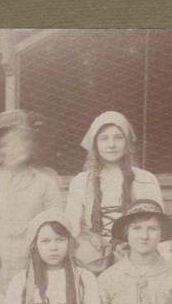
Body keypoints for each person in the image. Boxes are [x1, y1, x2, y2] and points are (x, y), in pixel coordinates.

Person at [0, 110, 64, 293]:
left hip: (31, 272)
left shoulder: (45, 184)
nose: (11, 151)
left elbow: (56, 232)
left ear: (30, 146)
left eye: (18, 143)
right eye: (4, 145)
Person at [65, 111, 165, 274]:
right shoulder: (81, 181)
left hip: (136, 260)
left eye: (118, 137)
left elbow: (159, 227)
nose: (111, 145)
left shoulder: (145, 179)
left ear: (127, 142)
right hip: (92, 261)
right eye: (104, 138)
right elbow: (72, 230)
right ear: (95, 143)